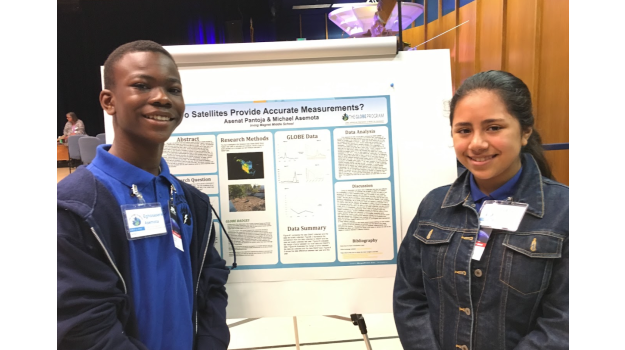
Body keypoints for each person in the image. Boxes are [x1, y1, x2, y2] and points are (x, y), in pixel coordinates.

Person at [57, 40, 231, 350]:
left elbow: (211, 283)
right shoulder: (75, 207)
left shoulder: (191, 201)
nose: (162, 97)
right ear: (109, 101)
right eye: (142, 85)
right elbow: (83, 326)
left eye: (173, 89)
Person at [393, 70, 569, 350]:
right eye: (464, 130)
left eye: (493, 127)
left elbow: (561, 323)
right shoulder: (433, 207)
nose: (476, 143)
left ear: (525, 131)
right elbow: (409, 298)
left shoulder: (562, 211)